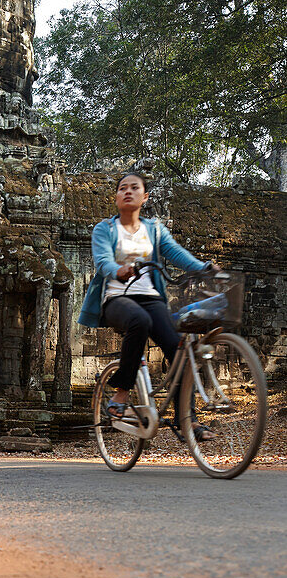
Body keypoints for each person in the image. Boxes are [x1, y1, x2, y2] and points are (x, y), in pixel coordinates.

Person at [78, 171, 216, 441]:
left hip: (151, 298)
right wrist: (118, 270)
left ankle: (187, 418)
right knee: (138, 321)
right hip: (117, 298)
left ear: (145, 196)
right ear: (116, 197)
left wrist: (204, 268)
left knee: (179, 349)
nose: (127, 192)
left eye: (134, 188)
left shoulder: (154, 229)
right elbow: (103, 260)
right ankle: (122, 390)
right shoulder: (104, 229)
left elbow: (175, 252)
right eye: (122, 188)